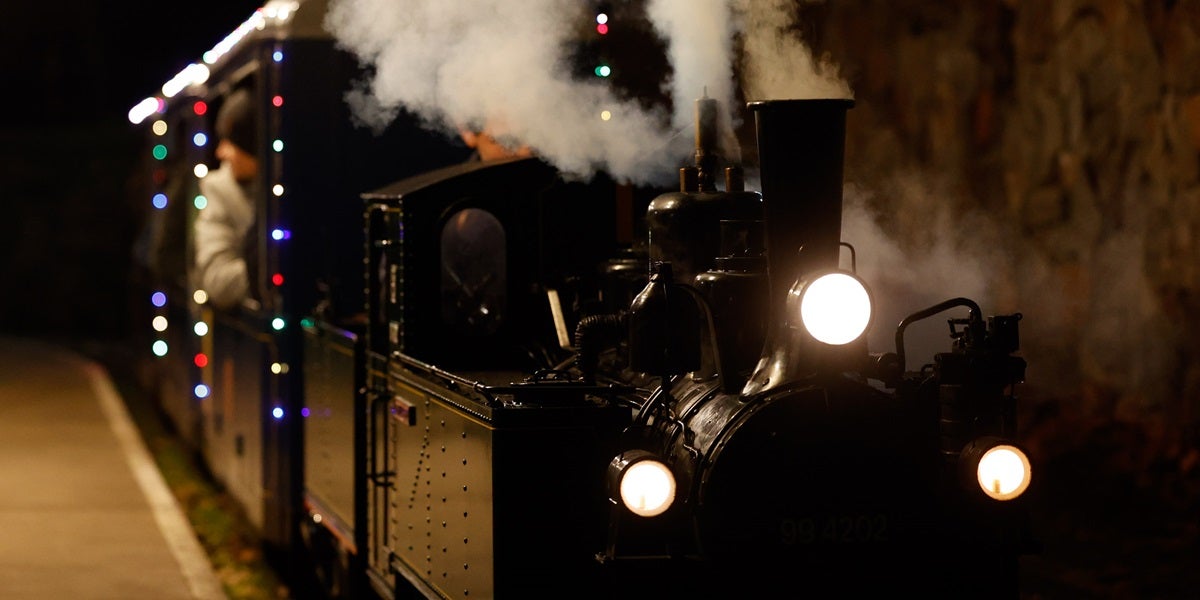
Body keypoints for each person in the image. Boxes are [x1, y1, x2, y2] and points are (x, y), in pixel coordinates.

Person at [194, 87, 260, 311]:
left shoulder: (286, 190)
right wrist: (269, 272)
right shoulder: (218, 188)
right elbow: (218, 281)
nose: (220, 152)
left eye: (231, 142)